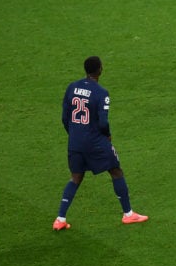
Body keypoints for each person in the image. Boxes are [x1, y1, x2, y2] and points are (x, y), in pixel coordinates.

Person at [53, 56, 148, 230]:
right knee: (116, 170)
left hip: (74, 142)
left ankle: (60, 218)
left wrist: (74, 133)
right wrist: (107, 136)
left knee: (75, 177)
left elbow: (64, 117)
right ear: (99, 70)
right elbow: (103, 122)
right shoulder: (101, 93)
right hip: (95, 142)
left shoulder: (72, 87)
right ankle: (128, 214)